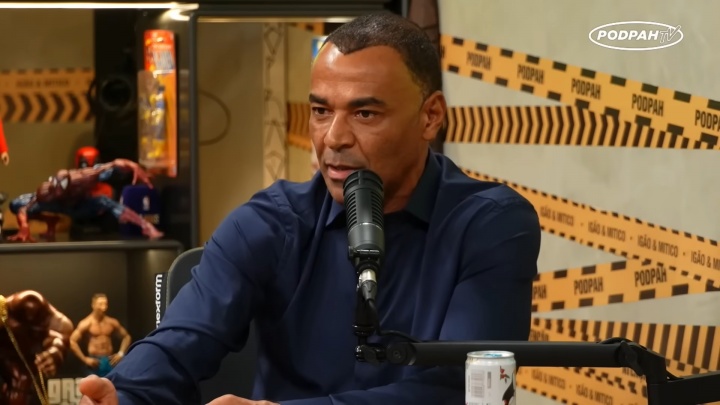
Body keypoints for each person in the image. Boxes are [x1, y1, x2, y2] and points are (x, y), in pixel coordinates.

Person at [79, 12, 541, 405]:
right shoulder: (268, 222)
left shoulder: (492, 224)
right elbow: (181, 342)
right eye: (321, 111)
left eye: (365, 114)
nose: (333, 138)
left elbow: (463, 389)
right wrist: (123, 392)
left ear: (430, 116)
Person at [6, 158, 163, 243]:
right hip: (59, 206)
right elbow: (23, 208)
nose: (59, 189)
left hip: (82, 206)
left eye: (63, 186)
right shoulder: (47, 191)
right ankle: (51, 222)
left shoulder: (84, 177)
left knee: (104, 200)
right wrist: (24, 227)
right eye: (56, 186)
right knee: (16, 204)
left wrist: (133, 166)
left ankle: (145, 226)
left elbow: (115, 164)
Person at [0, 290, 74, 405]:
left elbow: (65, 327)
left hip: (25, 358)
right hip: (7, 354)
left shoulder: (26, 304)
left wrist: (55, 351)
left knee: (20, 382)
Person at [69, 294, 131, 378]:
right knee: (94, 385)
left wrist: (120, 353)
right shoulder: (86, 323)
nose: (104, 307)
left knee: (112, 384)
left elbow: (126, 337)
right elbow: (72, 341)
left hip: (109, 361)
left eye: (105, 304)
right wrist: (85, 359)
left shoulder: (112, 322)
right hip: (95, 361)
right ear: (93, 305)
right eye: (100, 304)